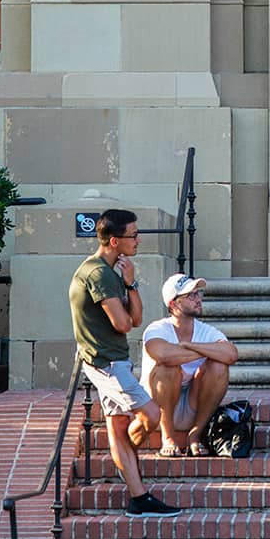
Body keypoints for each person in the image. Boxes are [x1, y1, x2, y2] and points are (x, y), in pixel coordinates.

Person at [68, 209, 181, 518]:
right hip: (106, 363)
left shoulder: (113, 272)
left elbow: (137, 318)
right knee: (152, 414)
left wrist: (131, 284)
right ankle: (127, 462)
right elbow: (123, 323)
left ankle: (138, 498)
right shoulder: (98, 274)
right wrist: (126, 295)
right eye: (133, 235)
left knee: (118, 428)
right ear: (115, 241)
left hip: (115, 359)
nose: (138, 240)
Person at [141, 273, 238, 457]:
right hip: (159, 409)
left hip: (195, 407)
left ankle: (195, 434)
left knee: (219, 366)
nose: (198, 299)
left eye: (198, 293)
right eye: (190, 295)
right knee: (167, 369)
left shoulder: (205, 330)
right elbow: (164, 356)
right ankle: (168, 437)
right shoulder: (157, 329)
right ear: (173, 304)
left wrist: (187, 345)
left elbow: (231, 354)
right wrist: (208, 351)